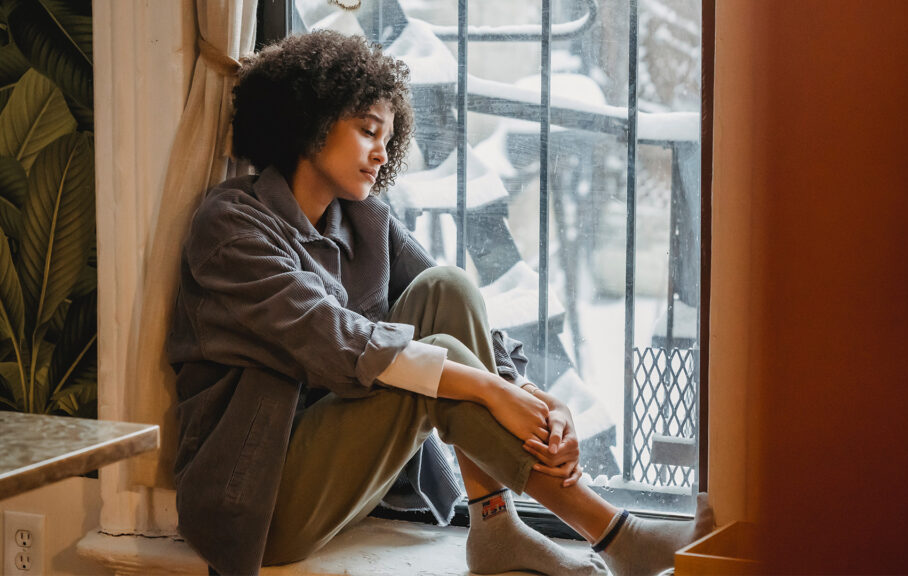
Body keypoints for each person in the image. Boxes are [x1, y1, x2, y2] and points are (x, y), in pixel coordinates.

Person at [167, 30, 714, 576]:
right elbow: (335, 339)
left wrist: (530, 397)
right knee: (431, 363)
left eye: (388, 135)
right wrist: (491, 390)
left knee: (447, 286)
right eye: (366, 131)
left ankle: (497, 526)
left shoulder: (366, 217)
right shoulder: (231, 226)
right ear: (307, 122)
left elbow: (447, 301)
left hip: (343, 475)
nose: (383, 152)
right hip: (257, 502)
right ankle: (619, 535)